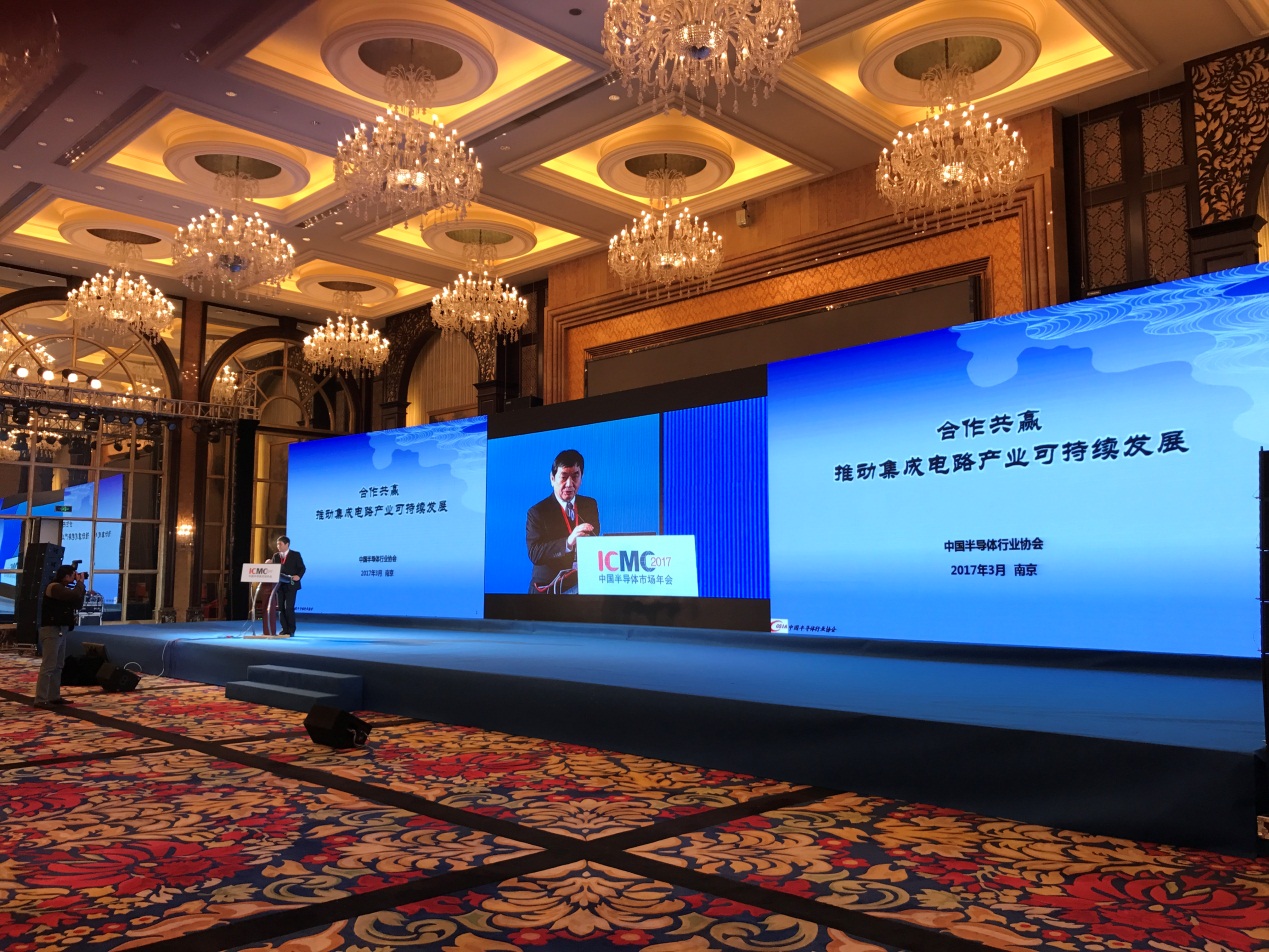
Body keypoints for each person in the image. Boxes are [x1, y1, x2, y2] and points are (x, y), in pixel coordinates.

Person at [526, 449, 600, 594]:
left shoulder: (589, 505)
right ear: (552, 479)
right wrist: (568, 543)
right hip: (548, 589)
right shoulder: (537, 512)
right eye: (564, 477)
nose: (569, 484)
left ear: (581, 478)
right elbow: (535, 553)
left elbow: (594, 539)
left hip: (581, 586)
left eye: (575, 476)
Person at [35, 565, 87, 708]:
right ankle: (40, 699)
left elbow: (77, 603)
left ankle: (54, 696)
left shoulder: (63, 589)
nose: (75, 578)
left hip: (61, 629)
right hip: (51, 630)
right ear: (66, 576)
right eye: (73, 575)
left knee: (58, 665)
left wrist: (81, 588)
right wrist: (80, 583)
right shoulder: (54, 587)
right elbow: (73, 595)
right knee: (49, 665)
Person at [269, 535, 306, 636]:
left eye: (280, 544)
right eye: (277, 544)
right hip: (279, 585)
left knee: (288, 608)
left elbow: (302, 568)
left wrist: (298, 576)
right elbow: (274, 570)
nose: (278, 546)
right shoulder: (276, 556)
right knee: (281, 608)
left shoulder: (295, 555)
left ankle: (291, 630)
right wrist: (269, 564)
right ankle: (284, 629)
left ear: (287, 544)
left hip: (291, 584)